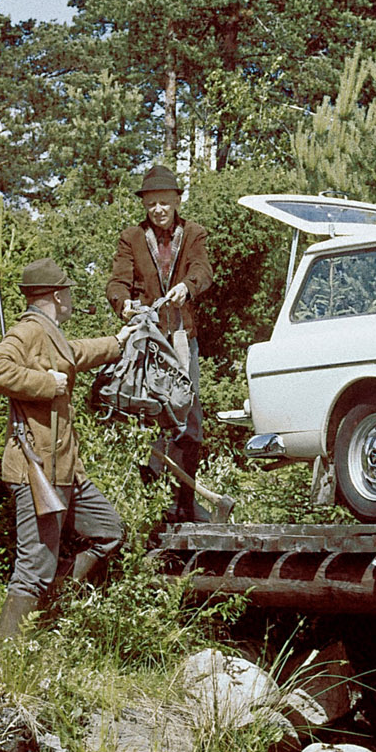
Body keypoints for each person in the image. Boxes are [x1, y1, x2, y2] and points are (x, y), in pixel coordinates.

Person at [0, 258, 126, 639]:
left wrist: (117, 343)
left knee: (108, 530)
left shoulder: (49, 332)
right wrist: (45, 383)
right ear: (58, 295)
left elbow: (73, 355)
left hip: (65, 470)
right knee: (32, 570)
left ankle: (51, 608)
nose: (71, 298)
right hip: (37, 469)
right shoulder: (29, 331)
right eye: (69, 292)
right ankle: (5, 658)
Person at [106, 165, 214, 521]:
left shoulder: (194, 234)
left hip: (182, 340)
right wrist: (122, 305)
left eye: (165, 203)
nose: (159, 210)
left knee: (189, 415)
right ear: (145, 205)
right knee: (148, 416)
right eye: (152, 204)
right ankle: (152, 503)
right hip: (148, 343)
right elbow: (118, 281)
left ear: (177, 201)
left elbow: (203, 270)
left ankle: (185, 502)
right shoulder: (130, 238)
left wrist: (188, 286)